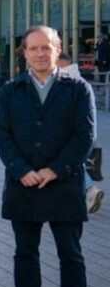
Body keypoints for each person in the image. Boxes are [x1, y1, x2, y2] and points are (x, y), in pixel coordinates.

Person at [0, 26, 94, 287]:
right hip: (22, 183)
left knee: (71, 254)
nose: (40, 54)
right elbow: (2, 135)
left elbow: (85, 137)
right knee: (25, 252)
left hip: (63, 183)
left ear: (57, 49)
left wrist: (54, 169)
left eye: (46, 48)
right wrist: (20, 169)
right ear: (24, 53)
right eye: (33, 48)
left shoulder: (78, 89)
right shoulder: (11, 90)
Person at [56, 53, 103, 214]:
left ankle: (89, 189)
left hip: (69, 135)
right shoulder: (80, 80)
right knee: (74, 165)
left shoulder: (64, 80)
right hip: (84, 134)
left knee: (70, 165)